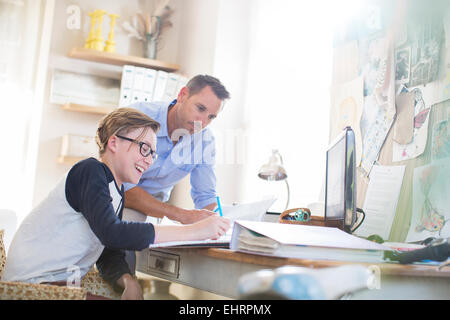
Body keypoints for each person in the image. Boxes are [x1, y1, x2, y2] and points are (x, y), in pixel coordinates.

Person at [3, 108, 231, 300]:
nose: (148, 160)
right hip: (30, 287)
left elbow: (108, 252)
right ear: (114, 142)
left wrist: (127, 279)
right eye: (144, 148)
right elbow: (112, 233)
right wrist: (194, 231)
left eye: (152, 154)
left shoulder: (117, 191)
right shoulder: (91, 171)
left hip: (60, 287)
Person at [124, 74, 231, 224]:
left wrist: (216, 222)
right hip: (118, 202)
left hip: (158, 211)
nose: (202, 122)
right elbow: (122, 187)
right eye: (200, 108)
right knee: (131, 226)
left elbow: (205, 196)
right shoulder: (137, 117)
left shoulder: (205, 140)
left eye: (211, 117)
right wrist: (181, 215)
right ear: (182, 95)